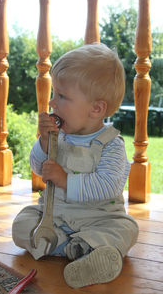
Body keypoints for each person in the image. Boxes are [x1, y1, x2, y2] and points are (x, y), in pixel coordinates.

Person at [12, 43, 139, 288]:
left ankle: (91, 252)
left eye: (62, 96)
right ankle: (75, 248)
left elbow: (107, 187)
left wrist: (65, 180)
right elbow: (38, 167)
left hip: (99, 220)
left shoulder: (111, 145)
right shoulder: (60, 135)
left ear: (96, 108)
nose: (52, 103)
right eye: (54, 93)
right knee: (23, 222)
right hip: (54, 217)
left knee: (125, 228)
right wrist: (45, 142)